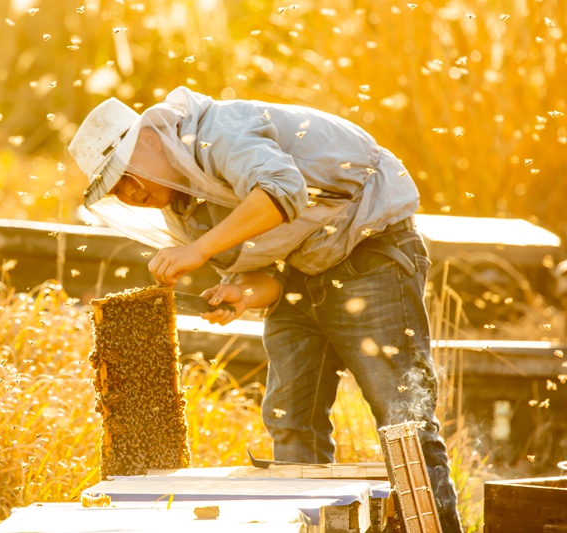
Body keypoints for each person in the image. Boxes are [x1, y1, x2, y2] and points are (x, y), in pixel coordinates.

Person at [68, 87, 463, 532]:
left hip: (370, 253)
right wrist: (245, 294)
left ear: (150, 140)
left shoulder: (219, 131)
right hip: (303, 276)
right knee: (291, 420)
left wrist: (198, 251)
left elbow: (282, 190)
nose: (125, 192)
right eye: (112, 187)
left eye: (124, 175)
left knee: (402, 420)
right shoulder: (181, 209)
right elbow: (274, 266)